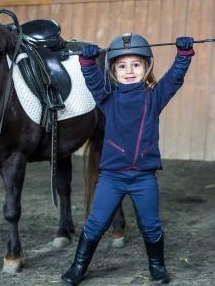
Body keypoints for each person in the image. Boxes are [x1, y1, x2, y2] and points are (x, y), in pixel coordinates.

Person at [61, 33, 195, 285]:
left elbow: (175, 78)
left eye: (136, 65)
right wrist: (88, 63)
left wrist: (183, 55)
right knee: (95, 225)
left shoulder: (155, 97)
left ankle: (157, 267)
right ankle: (78, 267)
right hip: (112, 177)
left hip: (144, 177)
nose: (129, 70)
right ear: (112, 70)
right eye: (122, 65)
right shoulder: (108, 98)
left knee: (151, 226)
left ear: (147, 67)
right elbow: (92, 81)